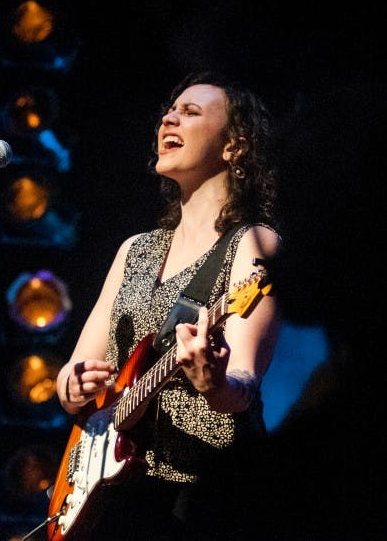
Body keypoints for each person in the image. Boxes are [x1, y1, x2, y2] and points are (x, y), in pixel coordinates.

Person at [53, 70, 282, 540]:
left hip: (203, 500)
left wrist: (213, 382)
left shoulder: (253, 244)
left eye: (190, 112)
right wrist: (71, 385)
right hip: (119, 495)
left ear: (235, 146)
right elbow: (75, 369)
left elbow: (242, 383)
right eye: (169, 110)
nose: (168, 118)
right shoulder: (134, 250)